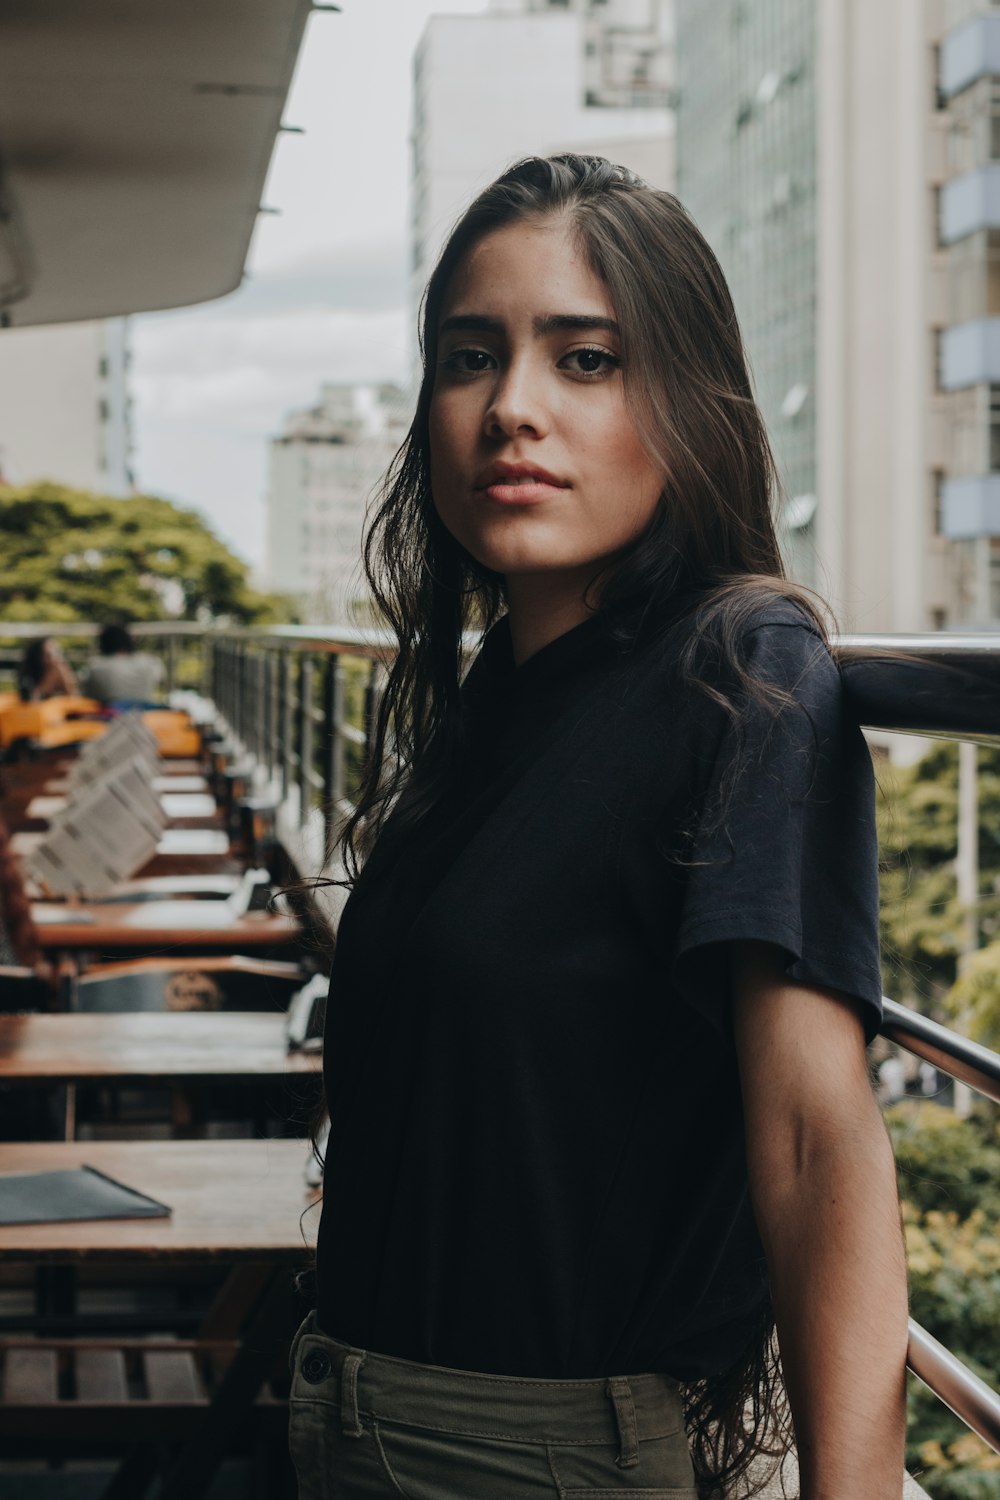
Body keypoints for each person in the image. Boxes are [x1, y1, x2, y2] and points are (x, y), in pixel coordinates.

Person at [289, 155, 908, 1500]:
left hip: (536, 1463)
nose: (511, 409)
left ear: (688, 404)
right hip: (356, 1421)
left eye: (585, 360)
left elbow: (816, 1135)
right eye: (470, 357)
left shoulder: (744, 670)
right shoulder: (492, 702)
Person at [81, 623, 164, 710]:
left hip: (110, 716)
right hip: (144, 713)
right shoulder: (149, 662)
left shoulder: (96, 666)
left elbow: (88, 694)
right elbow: (158, 679)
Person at [17, 636, 78, 701]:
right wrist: (47, 685)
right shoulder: (29, 679)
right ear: (39, 658)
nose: (57, 658)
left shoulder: (61, 672)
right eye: (49, 655)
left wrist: (66, 681)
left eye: (58, 653)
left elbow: (74, 699)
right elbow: (31, 700)